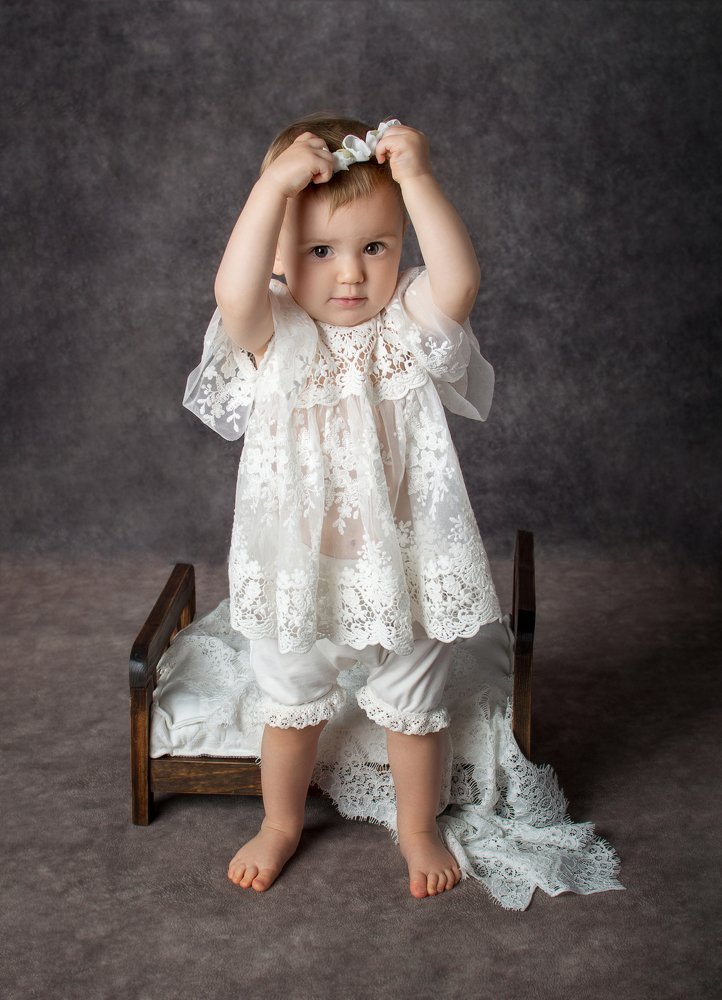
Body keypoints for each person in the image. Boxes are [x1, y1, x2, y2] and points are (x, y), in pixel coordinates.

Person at [183, 113, 504, 898]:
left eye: (376, 247)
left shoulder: (407, 323)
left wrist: (418, 179)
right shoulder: (277, 333)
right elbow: (232, 293)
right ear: (280, 259)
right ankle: (281, 822)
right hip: (305, 574)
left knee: (413, 708)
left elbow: (460, 283)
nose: (352, 274)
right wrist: (271, 189)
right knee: (290, 707)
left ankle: (418, 827)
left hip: (409, 570)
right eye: (320, 251)